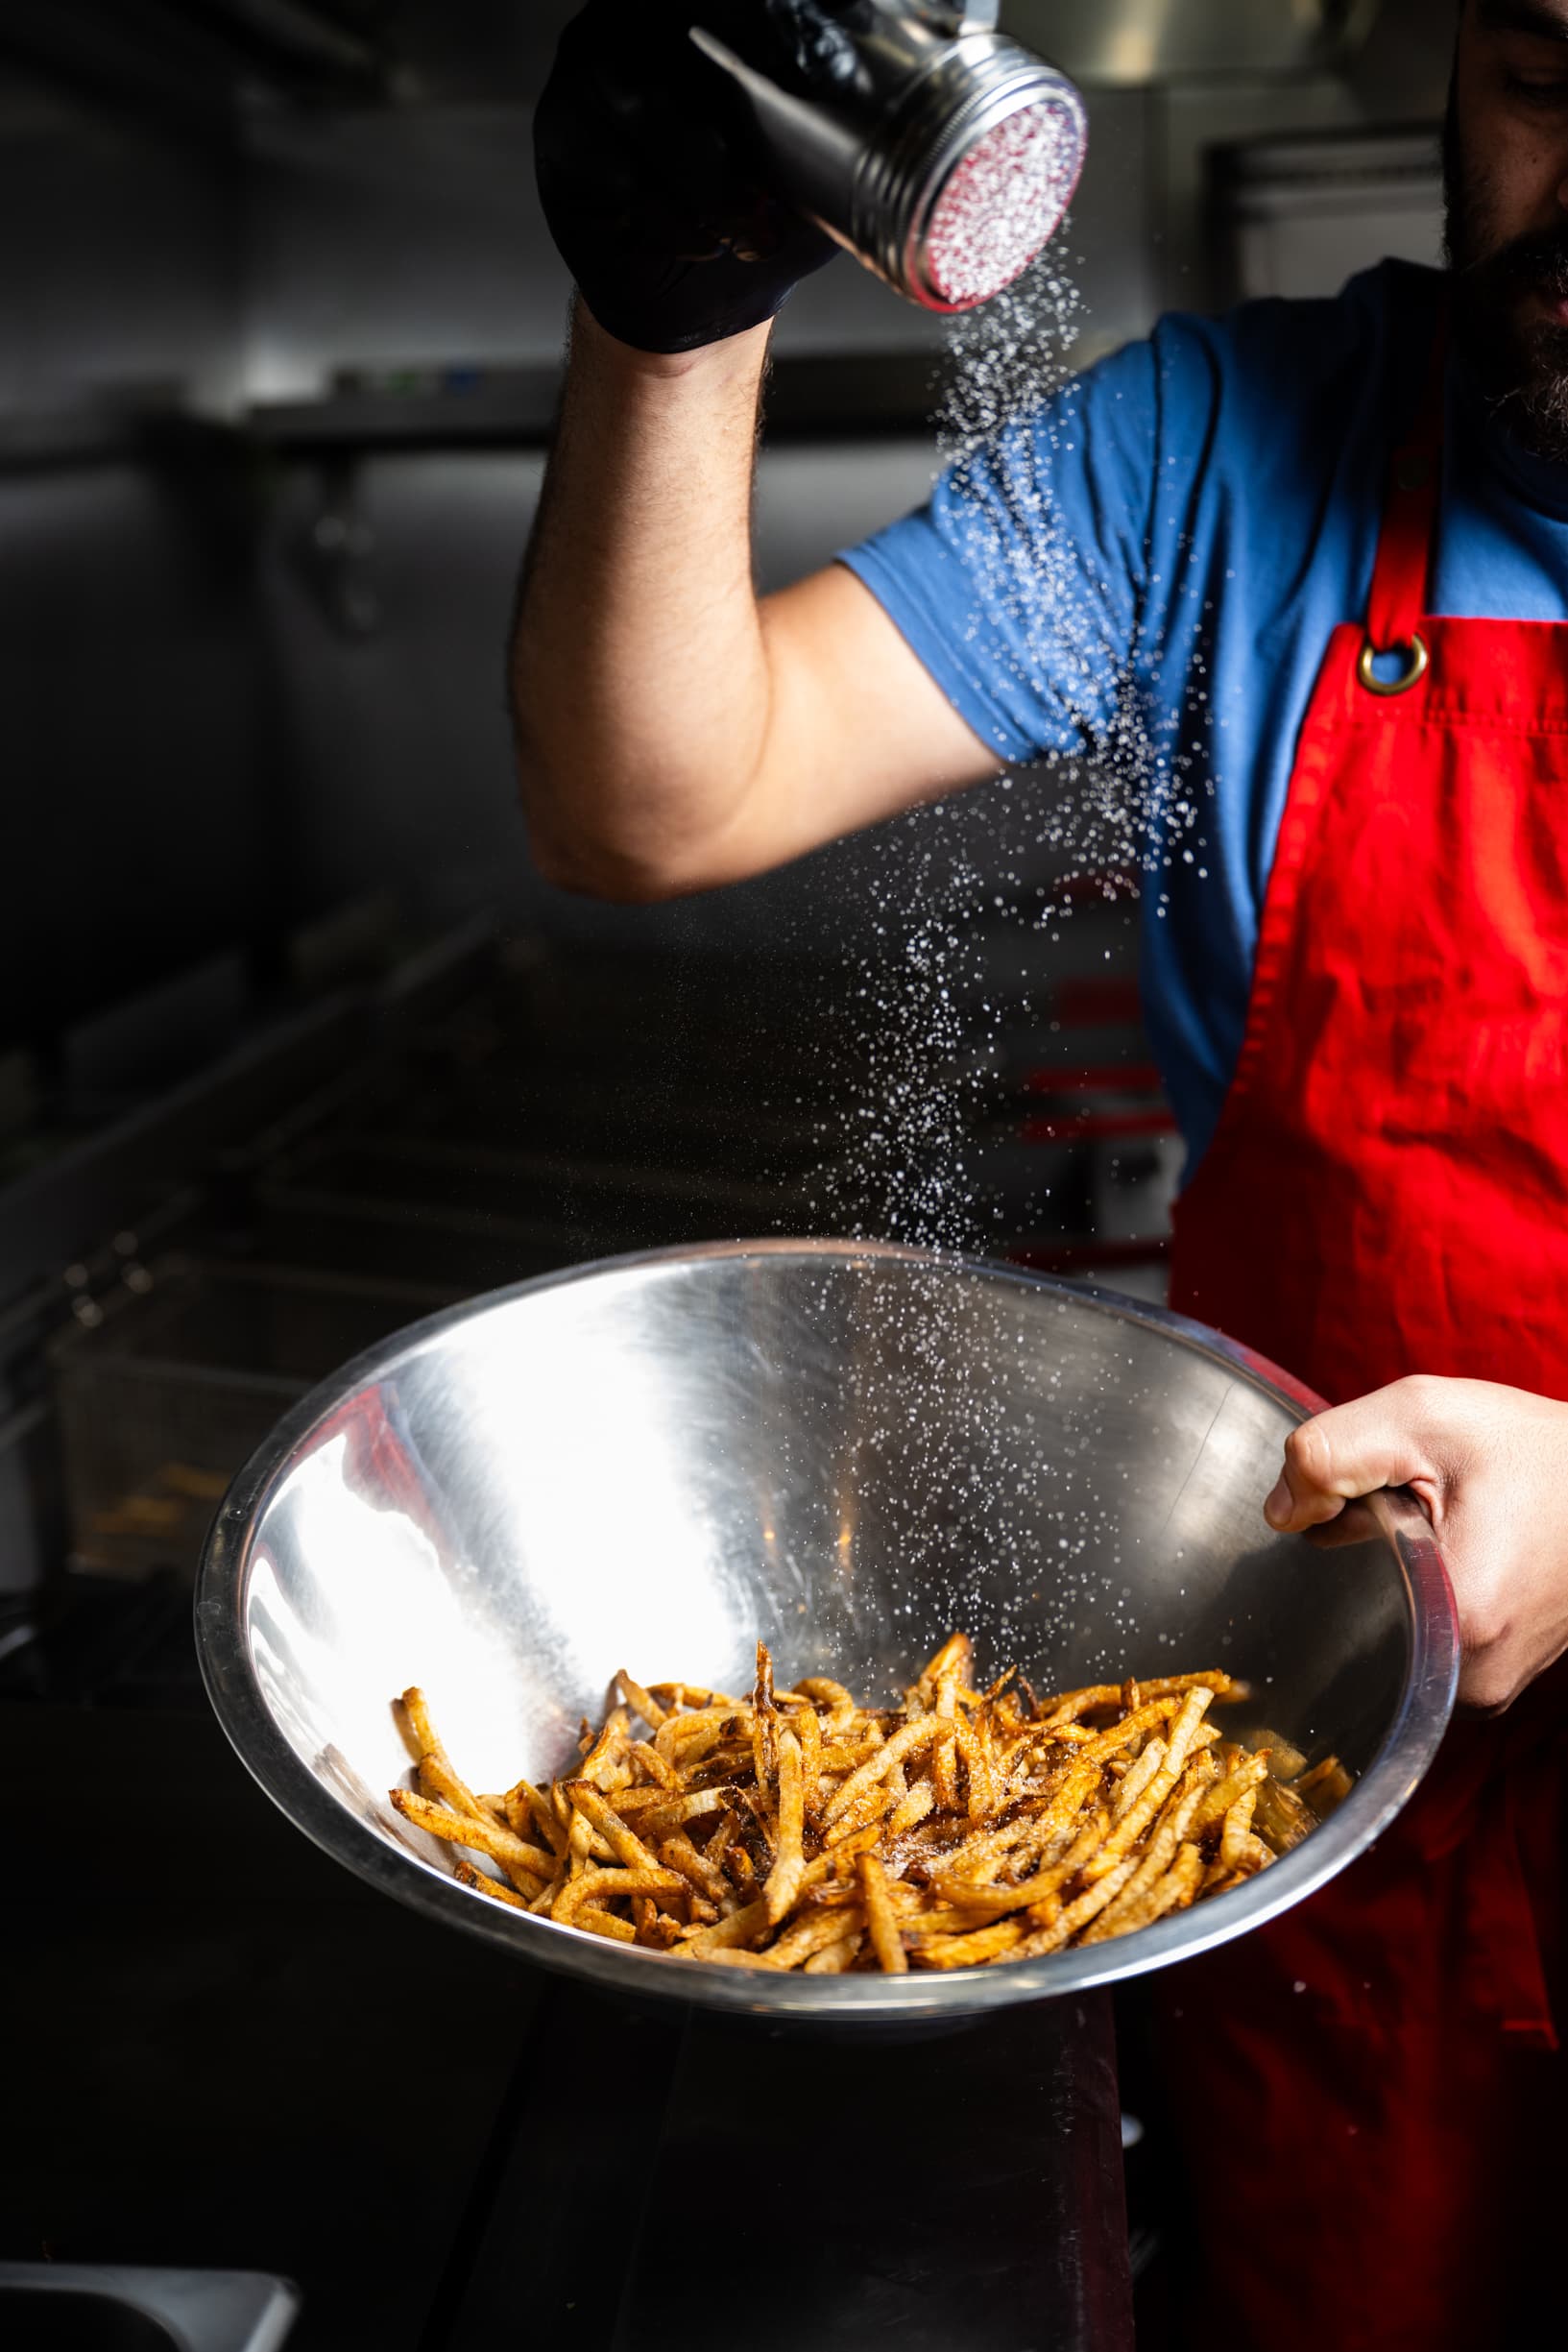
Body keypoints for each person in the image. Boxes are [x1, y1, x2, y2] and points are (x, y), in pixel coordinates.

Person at [514, 5, 1568, 2341]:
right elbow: (653, 795)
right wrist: (668, 316)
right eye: (1547, 74)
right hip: (1318, 1801)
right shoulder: (1233, 451)